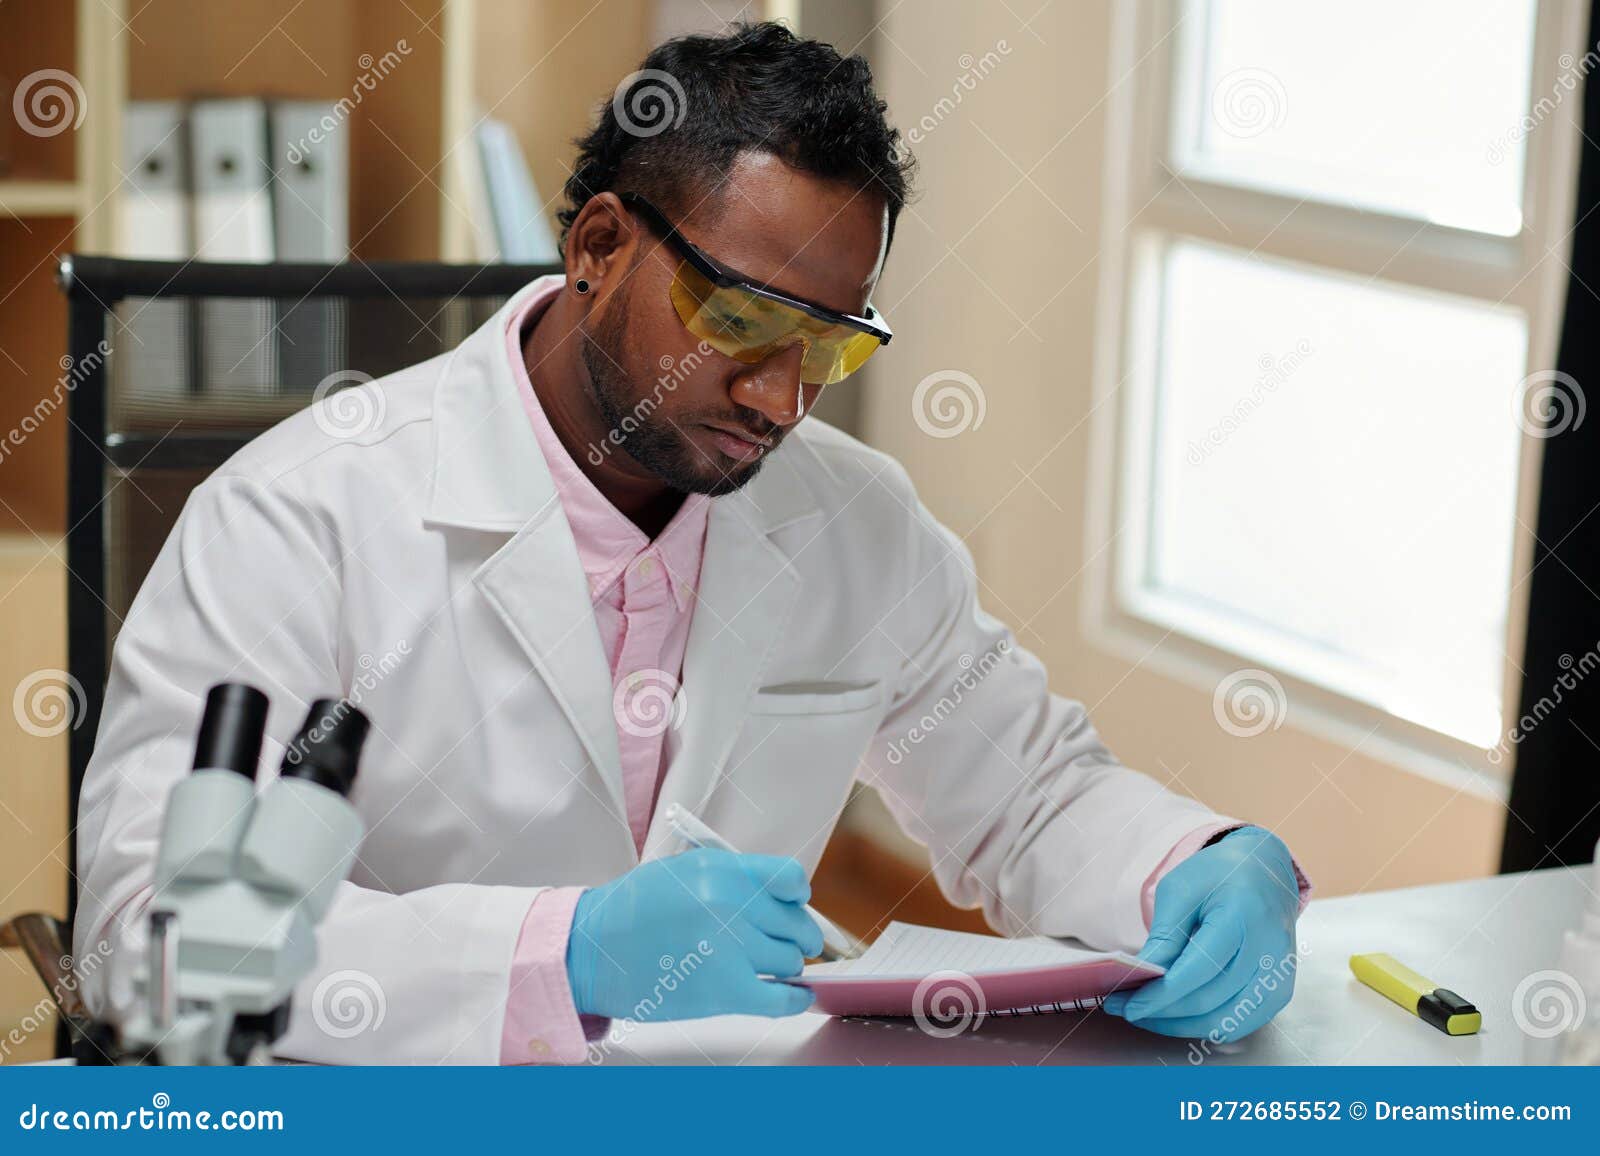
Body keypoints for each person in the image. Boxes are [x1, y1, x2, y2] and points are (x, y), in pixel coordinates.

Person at [77, 22, 1308, 1064]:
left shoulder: (855, 520)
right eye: (740, 319)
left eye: (827, 342)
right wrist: (565, 951)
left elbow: (1032, 798)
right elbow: (150, 938)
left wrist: (1192, 860)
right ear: (600, 247)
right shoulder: (296, 517)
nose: (780, 400)